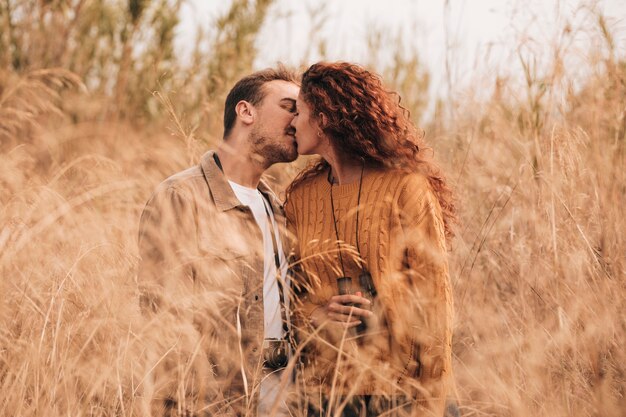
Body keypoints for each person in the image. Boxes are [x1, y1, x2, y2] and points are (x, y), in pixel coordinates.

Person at [284, 62, 456, 416]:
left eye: (298, 112)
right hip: (325, 394)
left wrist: (430, 401)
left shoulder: (406, 188)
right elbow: (288, 294)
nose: (291, 123)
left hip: (399, 391)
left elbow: (435, 303)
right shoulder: (301, 197)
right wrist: (316, 314)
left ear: (324, 117)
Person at [137, 65, 300, 416]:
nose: (298, 120)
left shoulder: (279, 209)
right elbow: (163, 323)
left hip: (277, 400)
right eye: (289, 106)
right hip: (215, 405)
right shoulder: (182, 196)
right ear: (246, 111)